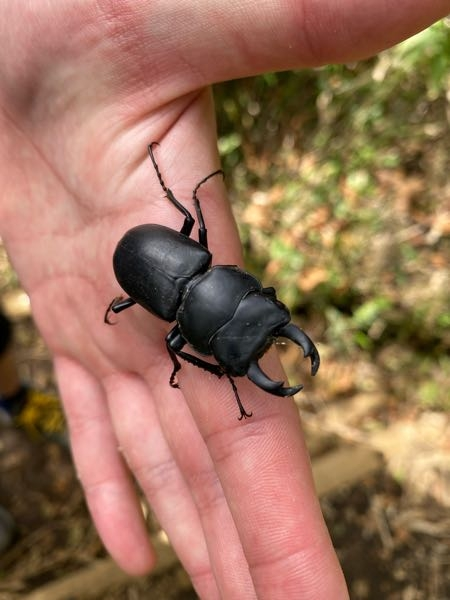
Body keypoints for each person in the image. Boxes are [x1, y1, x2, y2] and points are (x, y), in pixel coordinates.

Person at [0, 3, 447, 598]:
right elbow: (196, 260)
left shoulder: (196, 274)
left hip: (156, 277)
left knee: (179, 327)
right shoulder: (195, 279)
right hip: (155, 273)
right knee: (178, 318)